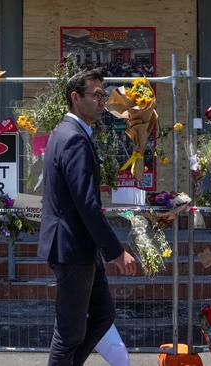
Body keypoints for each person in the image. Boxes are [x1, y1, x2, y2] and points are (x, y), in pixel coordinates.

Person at [38, 69, 137, 366]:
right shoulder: (73, 139)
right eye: (95, 95)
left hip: (81, 249)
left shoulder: (68, 133)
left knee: (103, 314)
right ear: (75, 98)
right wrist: (117, 252)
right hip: (72, 250)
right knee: (68, 334)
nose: (102, 101)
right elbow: (87, 204)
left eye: (103, 95)